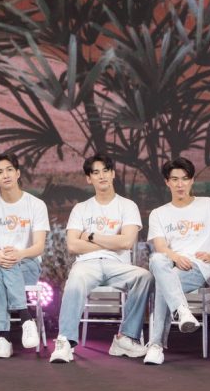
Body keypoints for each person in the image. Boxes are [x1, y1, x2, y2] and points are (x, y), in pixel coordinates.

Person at [50, 154, 151, 363]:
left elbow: (127, 242)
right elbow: (72, 245)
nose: (102, 176)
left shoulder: (127, 206)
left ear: (113, 174)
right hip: (87, 264)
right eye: (96, 173)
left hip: (117, 264)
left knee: (144, 277)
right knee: (75, 279)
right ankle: (65, 341)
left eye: (106, 171)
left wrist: (91, 236)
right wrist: (112, 241)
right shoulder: (81, 208)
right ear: (89, 178)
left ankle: (125, 338)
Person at [144, 157, 210, 365]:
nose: (180, 184)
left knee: (163, 284)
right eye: (175, 179)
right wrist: (176, 257)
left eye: (185, 179)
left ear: (192, 180)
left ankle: (156, 345)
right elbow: (160, 247)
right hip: (171, 264)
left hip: (198, 267)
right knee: (157, 259)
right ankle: (182, 310)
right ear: (167, 182)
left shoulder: (209, 205)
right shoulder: (159, 214)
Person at [0, 153, 50, 359]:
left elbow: (38, 247)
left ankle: (3, 338)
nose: (6, 175)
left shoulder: (36, 204)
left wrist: (19, 254)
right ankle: (26, 318)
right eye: (0, 172)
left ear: (18, 173)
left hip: (28, 264)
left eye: (9, 170)